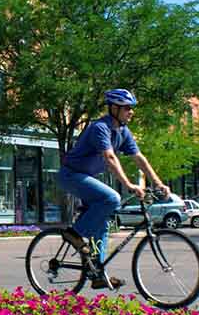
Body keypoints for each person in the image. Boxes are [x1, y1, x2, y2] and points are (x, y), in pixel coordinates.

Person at [58, 88, 171, 289]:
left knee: (101, 226)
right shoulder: (100, 128)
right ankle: (74, 234)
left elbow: (139, 158)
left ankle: (97, 273)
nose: (131, 112)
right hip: (71, 175)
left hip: (86, 177)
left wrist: (158, 182)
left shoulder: (123, 132)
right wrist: (128, 184)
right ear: (114, 108)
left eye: (131, 108)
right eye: (127, 108)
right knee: (112, 198)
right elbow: (109, 158)